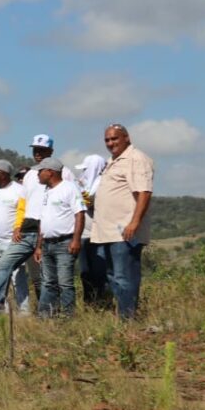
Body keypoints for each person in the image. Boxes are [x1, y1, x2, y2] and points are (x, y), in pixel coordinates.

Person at [0, 134, 71, 316]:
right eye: (35, 150)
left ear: (51, 151)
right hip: (27, 230)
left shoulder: (63, 172)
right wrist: (18, 226)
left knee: (44, 277)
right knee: (4, 264)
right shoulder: (30, 175)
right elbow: (23, 203)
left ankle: (49, 312)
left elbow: (70, 200)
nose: (38, 154)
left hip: (47, 230)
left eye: (42, 150)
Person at [91, 123, 154, 319]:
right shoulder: (113, 161)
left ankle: (128, 319)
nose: (110, 143)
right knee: (113, 277)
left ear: (127, 138)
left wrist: (134, 223)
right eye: (107, 140)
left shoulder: (135, 158)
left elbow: (144, 192)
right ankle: (123, 316)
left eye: (114, 138)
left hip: (124, 230)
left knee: (124, 277)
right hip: (108, 231)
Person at [35, 157, 85, 317]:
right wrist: (38, 246)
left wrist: (76, 239)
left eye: (40, 171)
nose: (38, 174)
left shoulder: (69, 188)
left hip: (65, 242)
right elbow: (43, 221)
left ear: (50, 172)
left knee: (65, 282)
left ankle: (67, 316)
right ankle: (45, 315)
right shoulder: (46, 192)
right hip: (47, 243)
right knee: (48, 282)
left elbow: (79, 214)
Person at [0, 161, 30, 315]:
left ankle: (24, 312)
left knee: (18, 278)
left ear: (2, 174)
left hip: (14, 242)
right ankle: (3, 312)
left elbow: (26, 214)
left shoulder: (20, 190)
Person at [75, 154, 109, 307]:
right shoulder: (81, 185)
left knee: (100, 271)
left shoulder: (105, 185)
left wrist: (91, 202)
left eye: (86, 170)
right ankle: (90, 304)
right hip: (83, 235)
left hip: (100, 235)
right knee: (85, 271)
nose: (83, 173)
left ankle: (103, 302)